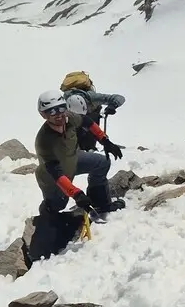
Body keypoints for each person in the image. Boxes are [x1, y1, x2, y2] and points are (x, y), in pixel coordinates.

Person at [33, 90, 125, 219]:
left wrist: (105, 141)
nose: (58, 114)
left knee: (102, 163)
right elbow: (56, 173)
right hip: (53, 178)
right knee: (57, 205)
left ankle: (99, 203)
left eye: (61, 108)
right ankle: (46, 216)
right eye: (52, 111)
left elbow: (87, 122)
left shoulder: (69, 118)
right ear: (43, 115)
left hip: (74, 159)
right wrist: (76, 194)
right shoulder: (44, 141)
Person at [59, 70, 126, 152]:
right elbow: (119, 98)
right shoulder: (92, 97)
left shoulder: (63, 99)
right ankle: (88, 148)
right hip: (90, 129)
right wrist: (113, 105)